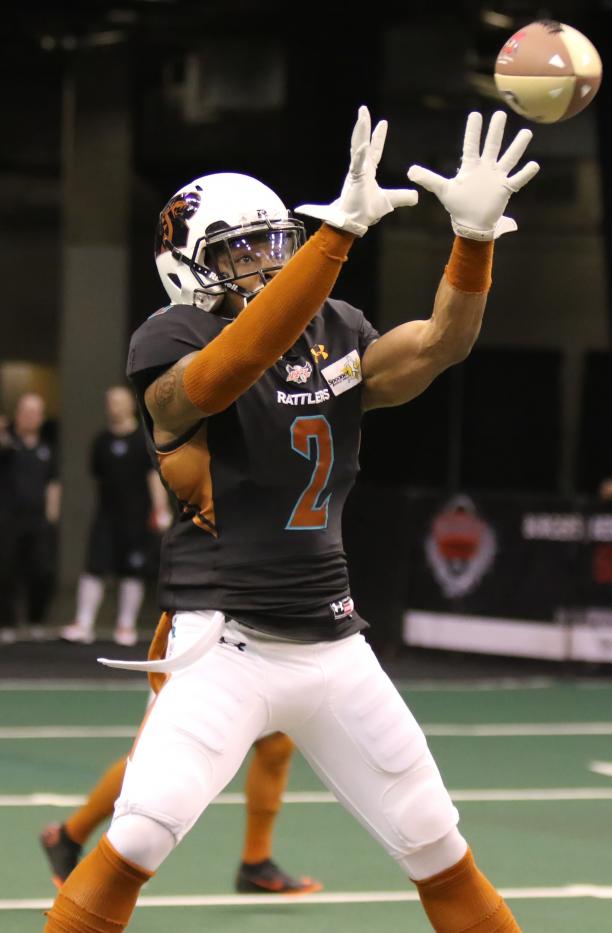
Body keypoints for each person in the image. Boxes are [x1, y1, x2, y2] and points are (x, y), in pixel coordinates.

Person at [43, 105, 539, 933]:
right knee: (139, 831)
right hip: (221, 640)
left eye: (276, 243)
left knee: (436, 841)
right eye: (242, 250)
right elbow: (233, 368)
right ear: (186, 269)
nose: (267, 262)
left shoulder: (332, 327)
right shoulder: (171, 342)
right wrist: (332, 241)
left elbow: (437, 345)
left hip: (333, 640)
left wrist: (472, 242)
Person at [40, 731, 321, 895]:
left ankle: (256, 863)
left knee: (277, 743)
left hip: (250, 646)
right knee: (163, 753)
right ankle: (68, 836)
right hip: (200, 646)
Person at [60, 385, 172, 646]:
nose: (114, 407)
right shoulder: (101, 442)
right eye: (110, 402)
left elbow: (152, 476)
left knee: (131, 571)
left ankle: (125, 626)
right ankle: (83, 624)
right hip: (106, 517)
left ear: (130, 405)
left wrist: (160, 508)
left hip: (136, 517)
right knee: (94, 567)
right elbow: (98, 480)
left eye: (119, 402)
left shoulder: (143, 439)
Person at [0, 392, 60, 642]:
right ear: (17, 414)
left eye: (35, 412)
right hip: (8, 519)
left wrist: (52, 514)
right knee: (6, 571)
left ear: (42, 417)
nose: (30, 416)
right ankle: (6, 623)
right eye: (25, 411)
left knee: (42, 570)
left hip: (37, 521)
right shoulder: (8, 444)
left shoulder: (47, 449)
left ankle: (36, 620)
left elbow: (53, 483)